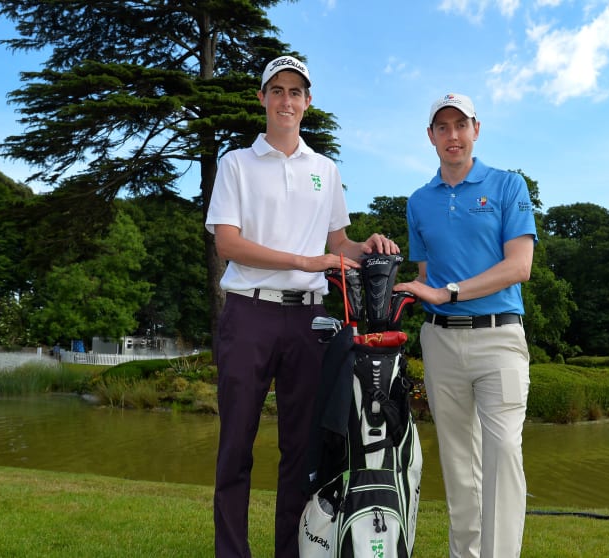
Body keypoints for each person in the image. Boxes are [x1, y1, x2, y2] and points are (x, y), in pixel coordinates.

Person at [204, 54, 399, 558]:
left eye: (296, 92)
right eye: (277, 91)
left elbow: (338, 241)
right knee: (236, 449)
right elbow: (228, 242)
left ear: (307, 103)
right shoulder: (236, 164)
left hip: (310, 320)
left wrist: (366, 245)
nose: (286, 100)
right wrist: (305, 260)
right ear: (262, 99)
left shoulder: (325, 170)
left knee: (300, 454)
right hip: (249, 313)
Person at [393, 93, 537, 558]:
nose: (452, 135)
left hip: (499, 339)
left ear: (476, 129)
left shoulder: (507, 186)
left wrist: (447, 292)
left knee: (502, 457)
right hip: (440, 341)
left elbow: (519, 267)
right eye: (442, 127)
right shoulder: (419, 201)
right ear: (430, 136)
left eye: (461, 125)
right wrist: (400, 288)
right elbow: (424, 275)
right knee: (459, 466)